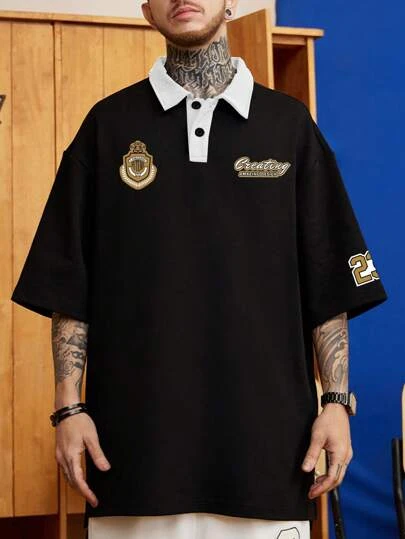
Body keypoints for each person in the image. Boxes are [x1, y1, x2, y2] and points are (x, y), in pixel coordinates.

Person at [10, 1, 388, 538]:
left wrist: (335, 403)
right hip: (132, 462)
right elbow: (68, 285)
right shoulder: (107, 127)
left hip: (271, 458)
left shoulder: (290, 128)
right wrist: (68, 411)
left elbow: (329, 282)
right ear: (147, 10)